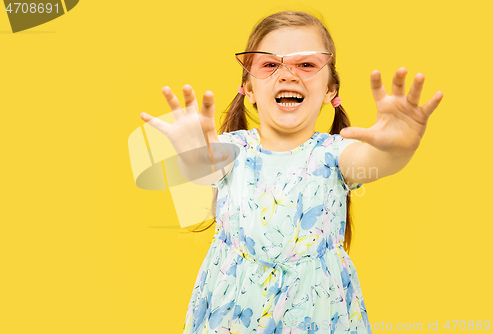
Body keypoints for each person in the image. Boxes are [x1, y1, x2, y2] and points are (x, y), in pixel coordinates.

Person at [139, 10, 443, 334]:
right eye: (270, 65)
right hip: (232, 318)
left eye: (306, 64)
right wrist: (190, 152)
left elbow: (376, 162)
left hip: (316, 316)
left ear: (330, 91)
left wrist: (398, 149)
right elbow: (202, 169)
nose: (287, 74)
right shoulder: (231, 150)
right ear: (249, 90)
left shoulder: (335, 154)